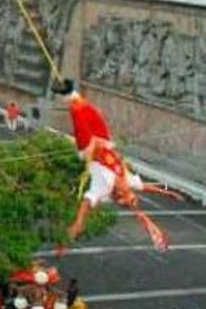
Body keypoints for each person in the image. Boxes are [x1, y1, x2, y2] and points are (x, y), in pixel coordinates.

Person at [56, 79, 180, 252]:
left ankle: (65, 95)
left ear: (118, 195)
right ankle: (71, 93)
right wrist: (168, 193)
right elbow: (146, 187)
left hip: (89, 150)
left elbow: (86, 202)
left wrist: (78, 223)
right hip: (103, 142)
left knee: (79, 120)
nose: (128, 192)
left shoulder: (103, 188)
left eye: (125, 196)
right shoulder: (129, 181)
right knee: (92, 115)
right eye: (131, 195)